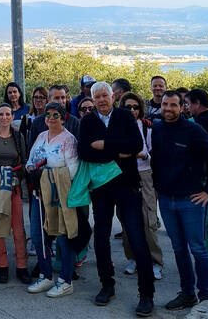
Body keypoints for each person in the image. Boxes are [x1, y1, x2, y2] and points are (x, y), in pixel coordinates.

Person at [77, 82, 154, 316]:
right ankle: (107, 285)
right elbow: (84, 151)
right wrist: (118, 151)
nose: (101, 100)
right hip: (101, 189)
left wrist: (105, 145)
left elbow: (136, 145)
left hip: (127, 185)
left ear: (112, 96)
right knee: (101, 237)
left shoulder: (124, 116)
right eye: (96, 96)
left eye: (104, 95)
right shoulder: (88, 121)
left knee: (137, 238)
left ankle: (146, 293)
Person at [151, 91, 208, 310]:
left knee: (198, 249)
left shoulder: (194, 130)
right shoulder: (157, 128)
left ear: (182, 107)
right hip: (165, 199)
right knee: (178, 248)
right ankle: (187, 293)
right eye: (165, 104)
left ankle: (205, 297)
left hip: (190, 200)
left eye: (173, 105)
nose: (168, 109)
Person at [25, 102, 82, 298]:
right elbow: (30, 160)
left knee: (63, 236)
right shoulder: (41, 136)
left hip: (60, 195)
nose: (50, 118)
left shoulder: (68, 140)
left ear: (63, 118)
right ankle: (45, 274)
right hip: (39, 194)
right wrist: (32, 170)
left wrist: (48, 176)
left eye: (55, 115)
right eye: (48, 114)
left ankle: (66, 280)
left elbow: (73, 170)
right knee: (38, 234)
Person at [0, 103, 30, 284]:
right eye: (0, 114)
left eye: (7, 114)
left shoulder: (18, 136)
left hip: (12, 185)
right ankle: (2, 265)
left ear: (12, 117)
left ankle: (22, 266)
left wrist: (14, 173)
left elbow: (24, 162)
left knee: (18, 227)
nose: (4, 117)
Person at [119, 93, 164, 280]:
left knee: (148, 219)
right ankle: (133, 258)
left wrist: (144, 156)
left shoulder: (147, 128)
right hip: (123, 175)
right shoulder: (118, 128)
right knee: (126, 220)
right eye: (128, 107)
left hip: (144, 174)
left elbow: (155, 156)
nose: (132, 110)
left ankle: (155, 261)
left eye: (135, 107)